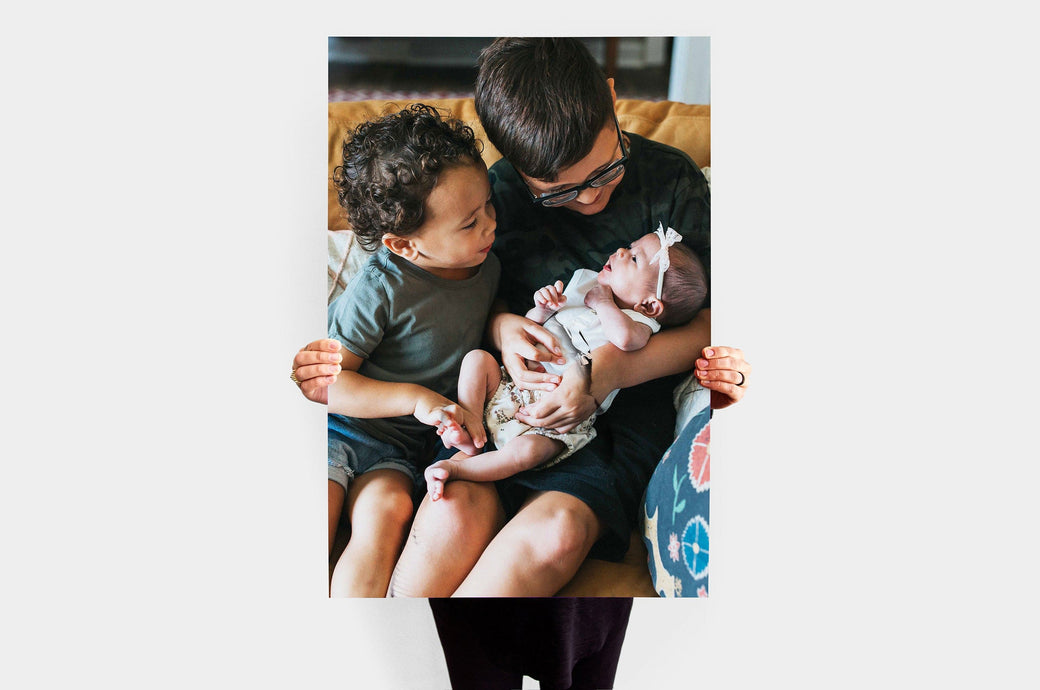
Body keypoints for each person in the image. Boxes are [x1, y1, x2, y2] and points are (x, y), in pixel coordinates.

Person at [322, 103, 500, 597]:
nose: (489, 226)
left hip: (396, 452)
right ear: (403, 245)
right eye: (469, 223)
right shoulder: (382, 284)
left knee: (388, 515)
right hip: (336, 428)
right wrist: (417, 399)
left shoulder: (489, 268)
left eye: (489, 206)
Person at [424, 224, 708, 501]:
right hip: (513, 383)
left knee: (527, 453)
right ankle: (470, 426)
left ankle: (458, 468)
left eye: (634, 258)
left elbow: (624, 340)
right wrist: (542, 309)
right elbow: (530, 331)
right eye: (631, 246)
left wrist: (602, 303)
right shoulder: (587, 282)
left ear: (649, 305)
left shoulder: (639, 324)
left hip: (553, 417)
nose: (622, 250)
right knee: (476, 360)